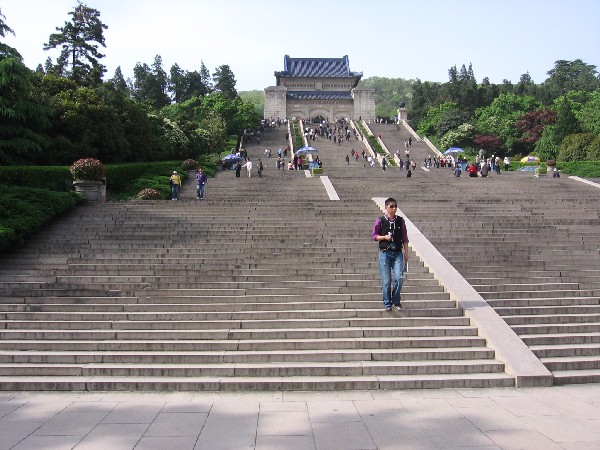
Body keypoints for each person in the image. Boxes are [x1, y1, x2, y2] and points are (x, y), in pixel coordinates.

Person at [372, 198, 409, 310]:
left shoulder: (400, 221)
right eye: (391, 206)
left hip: (397, 253)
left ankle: (396, 300)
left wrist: (406, 253)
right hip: (385, 253)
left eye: (395, 206)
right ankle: (387, 302)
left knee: (399, 277)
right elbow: (374, 236)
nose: (394, 208)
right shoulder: (380, 220)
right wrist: (384, 237)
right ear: (386, 207)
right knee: (386, 280)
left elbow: (405, 238)